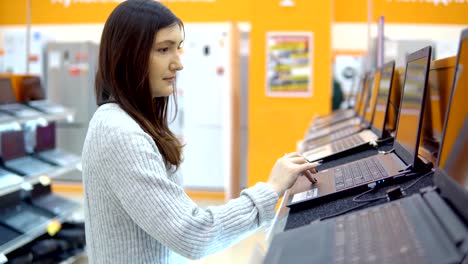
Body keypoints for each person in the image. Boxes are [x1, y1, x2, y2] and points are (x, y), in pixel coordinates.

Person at [82, 0, 320, 263]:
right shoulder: (119, 132)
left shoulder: (129, 123)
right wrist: (272, 188)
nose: (178, 64)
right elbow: (192, 232)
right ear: (128, 56)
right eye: (163, 49)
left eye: (177, 49)